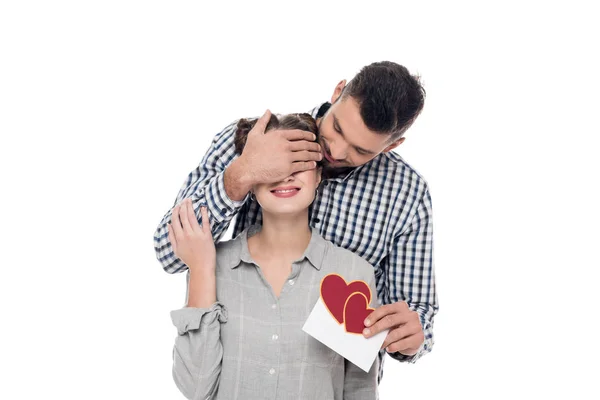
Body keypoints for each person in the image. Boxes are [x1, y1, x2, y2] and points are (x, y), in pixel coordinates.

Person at [155, 61, 438, 382]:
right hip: (242, 370)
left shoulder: (408, 193)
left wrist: (413, 337)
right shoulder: (254, 137)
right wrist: (241, 174)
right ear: (337, 92)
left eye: (361, 150)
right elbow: (169, 253)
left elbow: (417, 310)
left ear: (392, 145)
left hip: (333, 381)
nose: (336, 149)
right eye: (338, 129)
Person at [168, 113, 379, 399]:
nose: (286, 173)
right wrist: (202, 269)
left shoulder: (355, 273)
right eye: (272, 164)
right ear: (251, 180)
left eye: (299, 161)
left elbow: (359, 389)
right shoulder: (211, 266)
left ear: (319, 175)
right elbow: (195, 387)